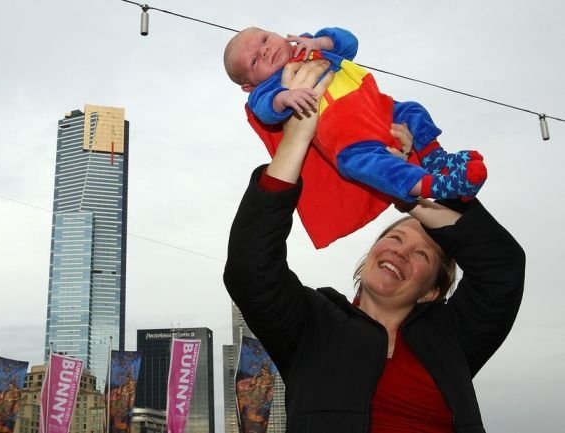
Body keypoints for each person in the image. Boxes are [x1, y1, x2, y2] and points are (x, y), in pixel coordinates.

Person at [223, 60, 525, 432]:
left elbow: (503, 266)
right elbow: (250, 269)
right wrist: (296, 139)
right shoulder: (312, 327)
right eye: (394, 238)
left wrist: (408, 193)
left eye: (421, 254)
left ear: (432, 290)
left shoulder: (453, 338)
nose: (400, 250)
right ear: (369, 256)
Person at [223, 26, 488, 248]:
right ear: (249, 85)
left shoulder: (310, 47)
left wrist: (319, 40)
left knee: (414, 111)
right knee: (370, 166)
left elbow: (349, 43)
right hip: (350, 140)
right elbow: (264, 109)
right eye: (254, 61)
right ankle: (435, 186)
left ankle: (435, 158)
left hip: (381, 110)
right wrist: (284, 97)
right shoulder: (270, 87)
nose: (265, 50)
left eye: (265, 39)